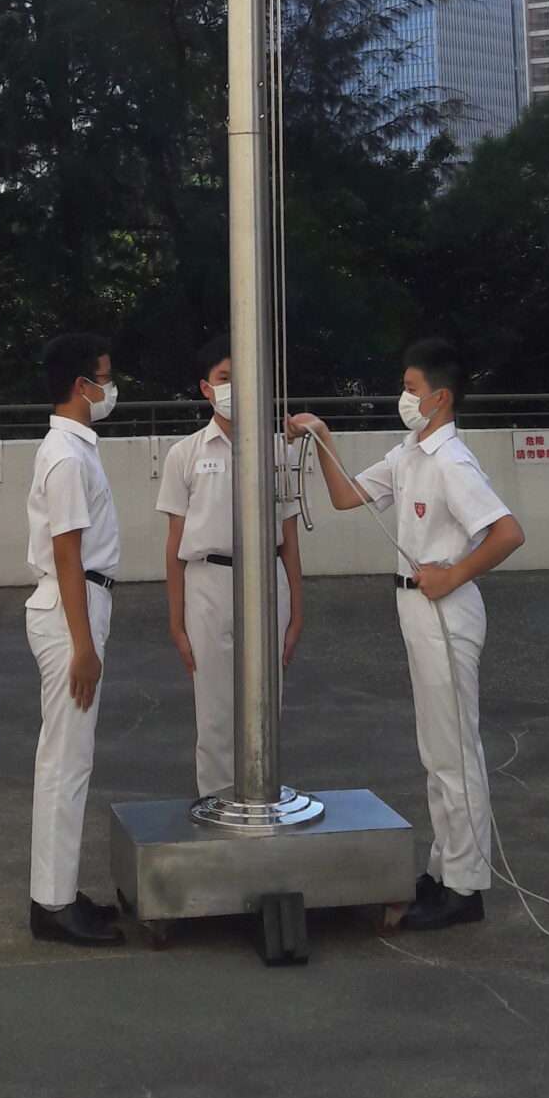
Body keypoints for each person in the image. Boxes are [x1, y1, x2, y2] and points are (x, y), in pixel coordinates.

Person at [290, 339, 524, 931]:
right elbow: (346, 496)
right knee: (436, 750)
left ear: (440, 398)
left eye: (412, 388)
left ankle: (464, 888)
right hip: (416, 606)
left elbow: (507, 532)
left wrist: (455, 574)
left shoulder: (452, 462)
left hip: (444, 608)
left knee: (454, 752)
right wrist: (321, 435)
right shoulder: (409, 453)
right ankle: (445, 869)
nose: (404, 397)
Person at [158, 334, 304, 801]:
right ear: (206, 388)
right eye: (224, 378)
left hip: (266, 580)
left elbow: (289, 537)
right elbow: (174, 544)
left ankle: (262, 800)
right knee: (216, 711)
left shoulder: (276, 450)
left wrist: (296, 612)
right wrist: (176, 621)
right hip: (208, 583)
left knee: (266, 703)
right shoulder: (186, 454)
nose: (235, 387)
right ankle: (217, 806)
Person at [24, 331, 124, 947]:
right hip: (72, 610)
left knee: (69, 759)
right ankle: (53, 905)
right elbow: (67, 552)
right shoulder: (65, 455)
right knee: (65, 762)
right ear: (81, 386)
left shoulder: (75, 448)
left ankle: (58, 889)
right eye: (104, 377)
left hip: (79, 604)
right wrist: (83, 646)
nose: (111, 388)